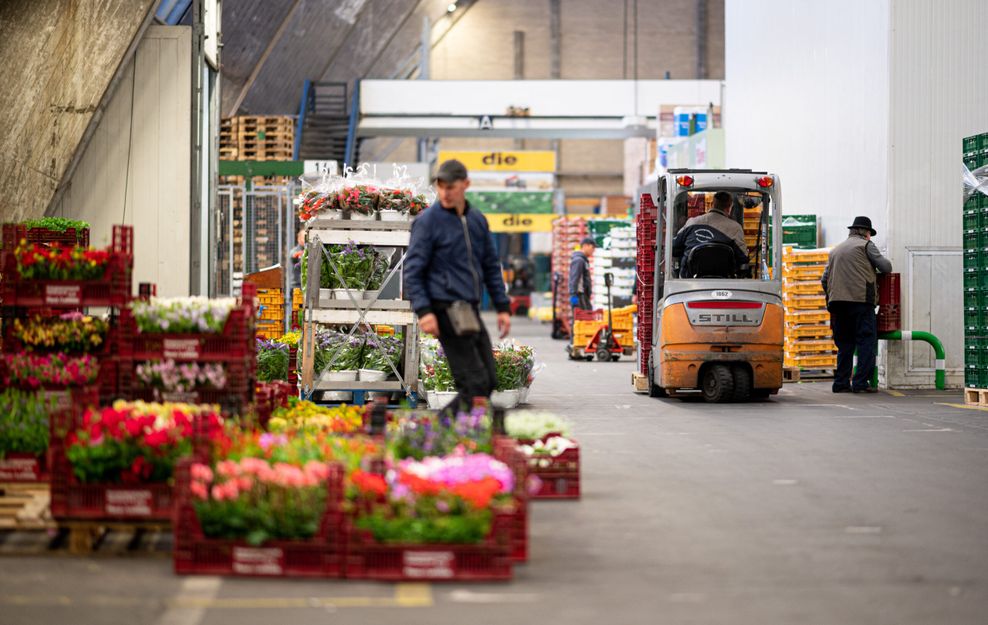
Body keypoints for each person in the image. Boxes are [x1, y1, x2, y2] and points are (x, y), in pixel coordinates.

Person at [404, 159, 512, 413]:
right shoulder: (428, 222)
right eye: (441, 186)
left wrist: (503, 307)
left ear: (466, 185)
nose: (445, 192)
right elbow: (412, 270)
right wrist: (424, 311)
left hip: (468, 310)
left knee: (488, 380)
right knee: (473, 383)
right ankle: (436, 435)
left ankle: (444, 432)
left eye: (451, 186)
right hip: (443, 310)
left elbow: (489, 266)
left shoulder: (477, 220)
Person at [822, 216, 892, 394]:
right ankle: (860, 383)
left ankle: (840, 383)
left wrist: (834, 293)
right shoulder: (866, 245)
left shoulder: (835, 251)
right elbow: (886, 267)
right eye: (869, 233)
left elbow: (824, 279)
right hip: (860, 301)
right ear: (865, 233)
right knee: (865, 342)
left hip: (837, 303)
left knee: (844, 344)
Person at [672, 191, 748, 278]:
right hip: (725, 279)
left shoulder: (692, 222)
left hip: (690, 278)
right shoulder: (735, 228)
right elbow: (743, 258)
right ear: (729, 208)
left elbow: (674, 247)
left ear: (712, 204)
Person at [569, 237, 596, 311]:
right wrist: (574, 300)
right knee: (580, 319)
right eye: (592, 247)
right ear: (585, 246)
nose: (593, 250)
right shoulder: (579, 260)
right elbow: (574, 280)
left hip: (583, 296)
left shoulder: (583, 260)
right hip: (578, 296)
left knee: (585, 318)